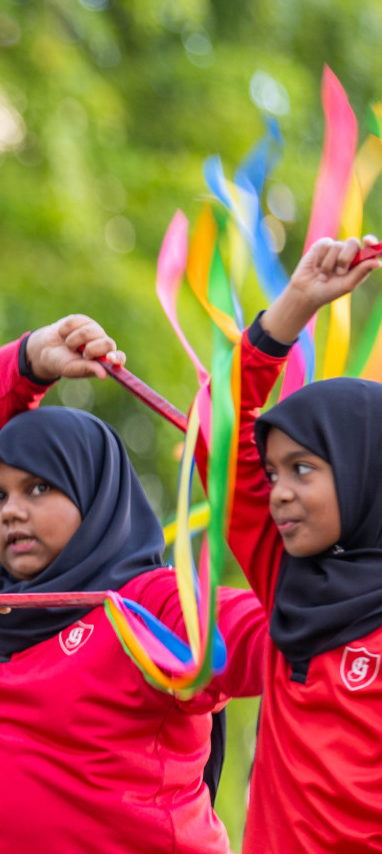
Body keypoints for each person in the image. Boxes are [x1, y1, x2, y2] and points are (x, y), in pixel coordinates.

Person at [0, 315, 268, 853]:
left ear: (93, 498)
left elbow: (266, 633)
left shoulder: (151, 605)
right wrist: (28, 362)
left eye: (39, 487)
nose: (10, 512)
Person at [225, 234, 382, 853]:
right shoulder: (287, 575)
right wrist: (294, 305)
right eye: (272, 474)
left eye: (304, 469)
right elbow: (224, 433)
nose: (279, 492)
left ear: (365, 467)